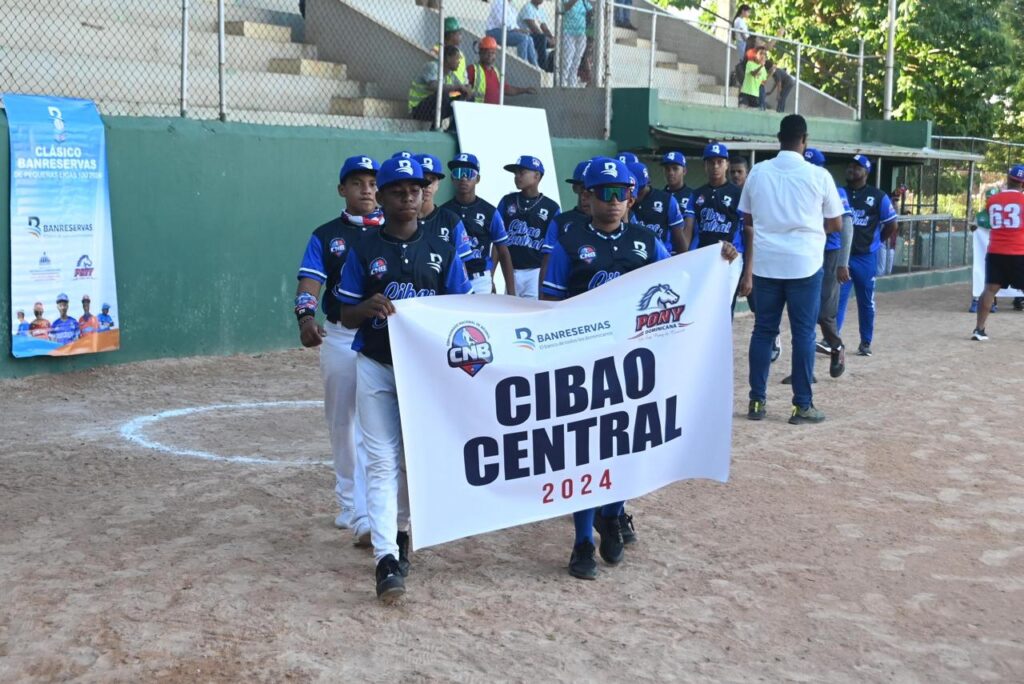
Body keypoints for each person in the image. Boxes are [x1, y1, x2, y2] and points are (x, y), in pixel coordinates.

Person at [337, 157, 472, 603]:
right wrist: (366, 308)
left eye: (416, 189)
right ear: (384, 195)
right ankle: (385, 559)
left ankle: (401, 531)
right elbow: (341, 313)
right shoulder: (363, 249)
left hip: (424, 372)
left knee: (415, 460)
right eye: (399, 190)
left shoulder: (443, 247)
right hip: (376, 363)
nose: (409, 196)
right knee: (380, 461)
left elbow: (461, 310)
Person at [541, 158, 673, 579]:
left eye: (622, 193)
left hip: (631, 363)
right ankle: (582, 540)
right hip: (583, 363)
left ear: (631, 197)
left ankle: (613, 513)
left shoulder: (646, 242)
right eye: (605, 193)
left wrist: (722, 258)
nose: (614, 201)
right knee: (585, 453)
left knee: (625, 445)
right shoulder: (569, 241)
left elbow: (681, 280)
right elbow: (550, 307)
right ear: (588, 196)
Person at [295, 155, 380, 542]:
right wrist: (305, 316)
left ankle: (371, 510)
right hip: (342, 337)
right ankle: (351, 504)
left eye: (371, 182)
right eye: (357, 182)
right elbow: (310, 280)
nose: (366, 189)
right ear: (342, 189)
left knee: (375, 425)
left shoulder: (397, 229)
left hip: (387, 338)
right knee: (343, 422)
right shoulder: (327, 234)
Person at [739, 115, 845, 425]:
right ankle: (802, 405)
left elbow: (746, 219)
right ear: (805, 140)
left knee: (763, 332)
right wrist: (812, 228)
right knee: (803, 334)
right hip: (805, 264)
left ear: (778, 138)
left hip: (767, 264)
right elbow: (836, 222)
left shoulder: (758, 172)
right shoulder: (819, 175)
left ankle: (756, 402)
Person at [782, 148, 853, 383]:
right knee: (802, 314)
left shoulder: (833, 188)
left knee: (824, 312)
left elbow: (845, 226)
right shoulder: (798, 187)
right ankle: (803, 372)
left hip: (829, 253)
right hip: (803, 253)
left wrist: (843, 262)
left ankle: (837, 346)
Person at [837, 154, 898, 357]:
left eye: (857, 167)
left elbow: (891, 224)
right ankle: (832, 340)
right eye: (850, 166)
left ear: (866, 172)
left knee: (866, 301)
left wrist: (877, 241)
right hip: (842, 257)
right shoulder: (840, 192)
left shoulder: (878, 196)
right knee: (837, 300)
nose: (852, 170)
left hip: (865, 257)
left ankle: (865, 342)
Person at [441, 152, 516, 295]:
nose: (463, 178)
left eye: (469, 173)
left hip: (480, 279)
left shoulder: (489, 211)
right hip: (451, 279)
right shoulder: (443, 212)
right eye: (458, 173)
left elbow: (503, 251)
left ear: (478, 179)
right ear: (452, 178)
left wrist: (511, 292)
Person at [972, 164, 1024, 341]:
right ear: (1023, 184)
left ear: (1008, 179)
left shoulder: (993, 200)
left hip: (996, 252)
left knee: (989, 290)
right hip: (1019, 252)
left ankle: (979, 329)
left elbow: (986, 219)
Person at [497, 155, 561, 299]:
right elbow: (497, 241)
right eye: (515, 173)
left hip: (535, 272)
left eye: (522, 172)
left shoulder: (551, 207)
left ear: (537, 176)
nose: (517, 176)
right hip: (511, 270)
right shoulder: (507, 201)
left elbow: (552, 249)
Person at [627, 161, 685, 253]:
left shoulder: (666, 200)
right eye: (633, 190)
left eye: (640, 189)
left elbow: (679, 238)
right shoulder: (623, 202)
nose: (636, 194)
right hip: (634, 256)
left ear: (648, 182)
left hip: (662, 257)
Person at [408, 46, 471, 125]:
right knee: (444, 94)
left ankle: (453, 128)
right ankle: (435, 127)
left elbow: (460, 87)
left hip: (433, 109)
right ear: (448, 58)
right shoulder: (433, 66)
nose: (459, 62)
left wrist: (466, 89)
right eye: (457, 58)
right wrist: (458, 87)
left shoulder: (450, 74)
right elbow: (433, 86)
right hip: (418, 109)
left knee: (463, 95)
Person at [466, 36, 537, 104]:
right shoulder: (472, 70)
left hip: (495, 112)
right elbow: (463, 88)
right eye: (487, 52)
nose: (490, 55)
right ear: (480, 53)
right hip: (477, 112)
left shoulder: (496, 72)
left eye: (493, 53)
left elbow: (506, 89)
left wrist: (525, 90)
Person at [486, 0, 540, 67]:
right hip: (494, 32)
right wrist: (518, 30)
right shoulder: (499, 2)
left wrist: (521, 30)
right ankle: (523, 65)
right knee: (523, 39)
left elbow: (513, 24)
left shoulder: (510, 6)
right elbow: (503, 23)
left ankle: (535, 66)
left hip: (506, 31)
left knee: (529, 39)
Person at [560, 0, 591, 87]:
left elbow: (591, 10)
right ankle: (562, 84)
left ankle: (572, 85)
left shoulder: (583, 1)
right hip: (568, 32)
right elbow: (565, 7)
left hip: (581, 33)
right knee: (567, 60)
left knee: (576, 62)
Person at [518, 0, 554, 72]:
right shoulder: (527, 7)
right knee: (542, 38)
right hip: (526, 35)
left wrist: (552, 38)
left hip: (536, 37)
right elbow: (534, 28)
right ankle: (543, 66)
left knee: (554, 41)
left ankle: (551, 69)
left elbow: (544, 28)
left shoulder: (540, 10)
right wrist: (548, 39)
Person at [436, 17, 468, 87]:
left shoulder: (460, 54)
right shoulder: (437, 50)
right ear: (451, 35)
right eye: (458, 33)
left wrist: (466, 86)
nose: (461, 36)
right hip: (445, 90)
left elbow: (464, 76)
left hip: (459, 91)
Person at [660, 151, 693, 219]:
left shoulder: (693, 196)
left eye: (675, 168)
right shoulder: (658, 196)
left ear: (684, 171)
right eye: (667, 169)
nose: (671, 173)